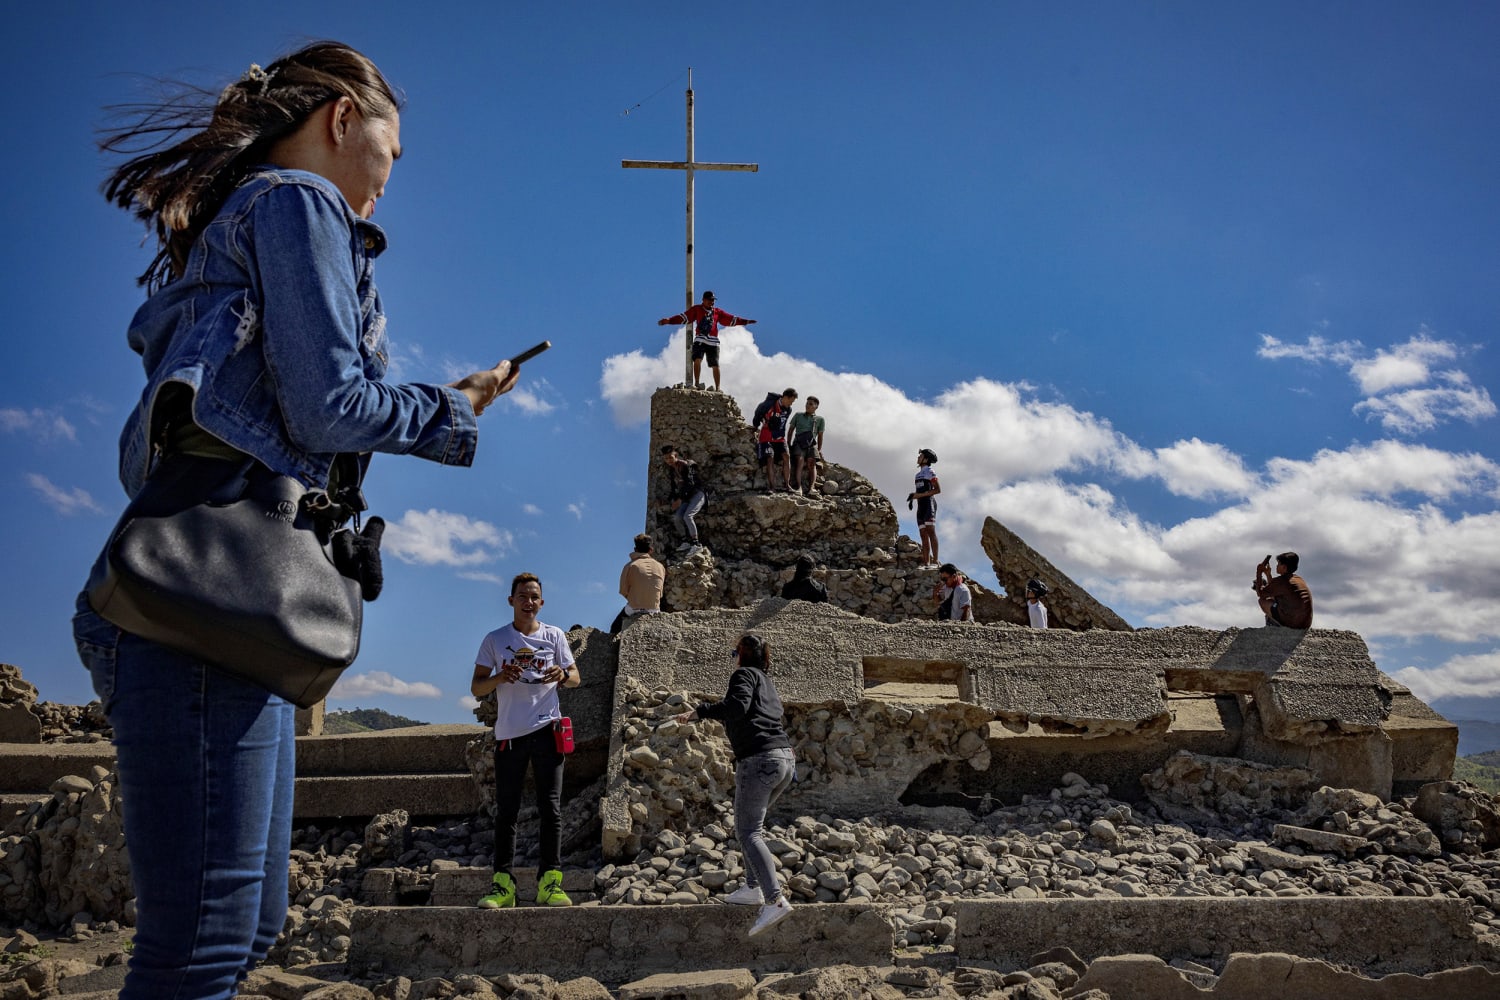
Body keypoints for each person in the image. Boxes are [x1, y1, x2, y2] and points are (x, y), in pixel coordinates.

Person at [73, 43, 523, 1000]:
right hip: (208, 611)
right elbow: (328, 406)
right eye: (393, 154)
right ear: (343, 120)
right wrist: (454, 409)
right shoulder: (297, 202)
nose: (389, 181)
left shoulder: (239, 222)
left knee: (246, 927)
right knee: (201, 946)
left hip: (219, 606)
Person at [471, 573, 581, 908]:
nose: (528, 602)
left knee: (551, 808)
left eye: (534, 596)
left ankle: (550, 882)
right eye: (522, 596)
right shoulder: (495, 639)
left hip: (548, 731)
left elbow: (575, 677)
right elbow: (476, 687)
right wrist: (500, 677)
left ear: (541, 602)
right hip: (510, 735)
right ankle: (503, 886)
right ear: (511, 601)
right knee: (507, 812)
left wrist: (563, 674)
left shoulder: (555, 636)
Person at [675, 634, 796, 938]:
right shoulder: (767, 682)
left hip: (759, 759)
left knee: (748, 831)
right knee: (750, 825)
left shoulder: (743, 674)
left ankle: (774, 900)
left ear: (740, 655)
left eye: (734, 653)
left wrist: (700, 711)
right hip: (784, 759)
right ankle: (753, 888)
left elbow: (737, 706)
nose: (733, 659)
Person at [656, 290, 756, 390]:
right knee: (697, 359)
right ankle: (697, 383)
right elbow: (685, 317)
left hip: (713, 341)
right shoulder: (697, 309)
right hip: (700, 339)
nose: (711, 302)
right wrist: (669, 321)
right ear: (703, 300)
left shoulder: (717, 312)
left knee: (715, 364)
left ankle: (717, 388)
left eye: (713, 300)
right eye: (709, 300)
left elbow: (730, 319)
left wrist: (745, 321)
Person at [612, 533, 666, 633]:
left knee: (614, 627)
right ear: (651, 550)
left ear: (635, 549)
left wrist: (636, 598)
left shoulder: (630, 566)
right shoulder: (660, 567)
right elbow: (660, 592)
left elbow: (623, 590)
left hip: (634, 608)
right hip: (654, 609)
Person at [659, 445, 707, 552]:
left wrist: (680, 499)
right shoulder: (672, 471)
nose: (669, 460)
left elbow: (690, 484)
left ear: (675, 456)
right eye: (666, 458)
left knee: (688, 516)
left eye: (670, 457)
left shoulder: (685, 465)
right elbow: (674, 488)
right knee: (677, 517)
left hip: (697, 494)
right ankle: (685, 541)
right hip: (686, 498)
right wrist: (669, 500)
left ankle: (696, 543)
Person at [751, 388, 798, 492]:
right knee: (769, 458)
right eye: (791, 401)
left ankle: (787, 485)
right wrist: (755, 425)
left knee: (786, 456)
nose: (791, 404)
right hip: (766, 435)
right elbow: (758, 413)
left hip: (780, 437)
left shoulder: (788, 409)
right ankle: (772, 487)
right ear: (785, 397)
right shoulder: (768, 405)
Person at [1254, 552, 1314, 629]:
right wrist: (1268, 574)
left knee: (1263, 601)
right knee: (1273, 599)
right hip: (1305, 624)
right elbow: (1274, 590)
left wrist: (1259, 572)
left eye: (1278, 564)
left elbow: (1260, 593)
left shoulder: (1282, 580)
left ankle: (1275, 625)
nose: (1276, 566)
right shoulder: (1298, 579)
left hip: (1293, 623)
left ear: (1284, 567)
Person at [908, 449, 941, 569]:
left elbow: (937, 490)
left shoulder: (930, 471)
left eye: (920, 456)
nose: (918, 457)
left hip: (929, 504)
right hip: (920, 505)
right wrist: (913, 497)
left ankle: (935, 561)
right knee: (922, 534)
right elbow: (919, 491)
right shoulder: (917, 475)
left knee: (930, 531)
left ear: (926, 459)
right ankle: (926, 562)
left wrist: (919, 495)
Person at [787, 396, 826, 495]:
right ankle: (799, 488)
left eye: (810, 404)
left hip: (811, 444)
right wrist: (788, 443)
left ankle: (811, 488)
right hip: (798, 442)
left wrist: (818, 449)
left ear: (816, 407)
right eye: (807, 403)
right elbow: (791, 430)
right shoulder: (798, 415)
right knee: (799, 462)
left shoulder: (820, 419)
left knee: (812, 463)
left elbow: (820, 435)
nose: (807, 405)